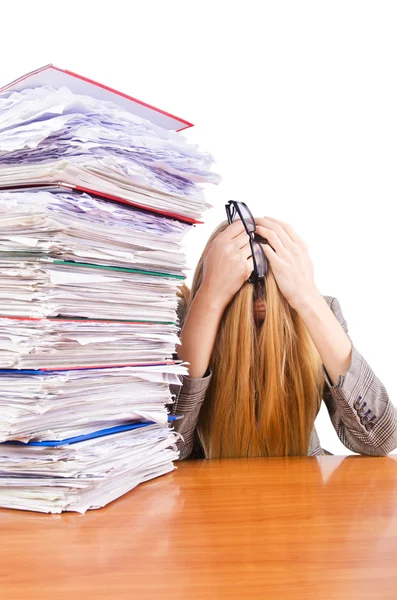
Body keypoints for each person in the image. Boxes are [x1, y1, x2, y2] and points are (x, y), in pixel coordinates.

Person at [169, 201, 397, 459]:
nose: (259, 298)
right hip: (205, 495)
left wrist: (307, 298)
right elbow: (163, 450)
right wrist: (209, 300)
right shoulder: (176, 321)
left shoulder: (319, 314)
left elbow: (381, 438)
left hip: (301, 492)